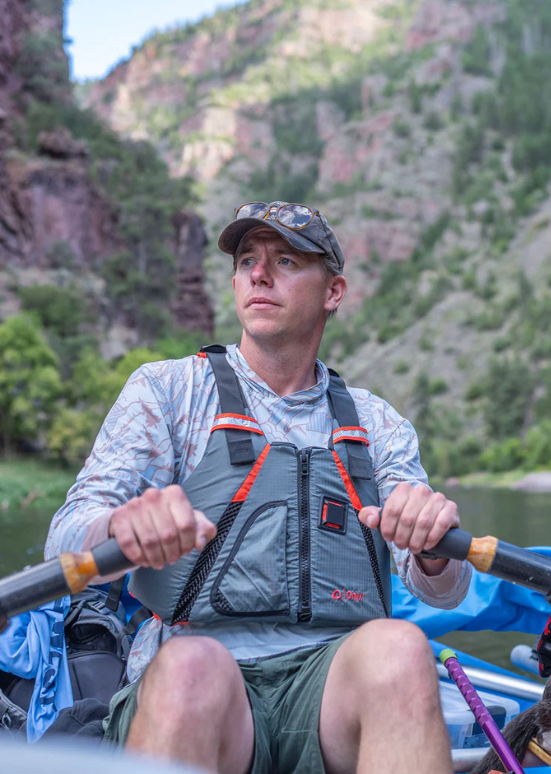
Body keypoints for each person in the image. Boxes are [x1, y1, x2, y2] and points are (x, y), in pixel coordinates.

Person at [45, 200, 471, 774]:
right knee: (194, 664)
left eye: (286, 261)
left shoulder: (378, 424)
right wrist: (117, 529)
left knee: (400, 647)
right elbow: (63, 542)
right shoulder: (169, 390)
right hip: (200, 679)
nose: (259, 274)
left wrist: (432, 548)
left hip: (329, 691)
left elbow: (445, 590)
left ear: (334, 291)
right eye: (247, 260)